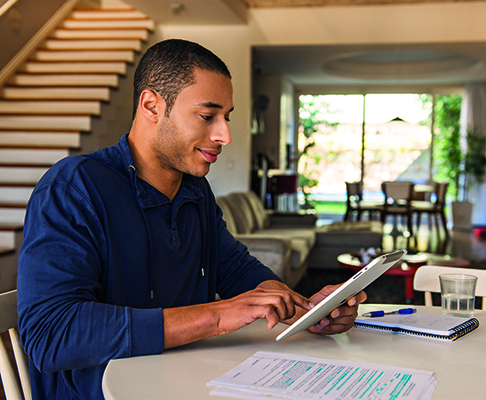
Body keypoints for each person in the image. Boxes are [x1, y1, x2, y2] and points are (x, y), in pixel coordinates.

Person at [17, 39, 366, 400]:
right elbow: (50, 335)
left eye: (226, 117)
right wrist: (215, 316)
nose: (224, 135)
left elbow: (235, 270)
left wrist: (308, 310)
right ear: (152, 105)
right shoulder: (73, 188)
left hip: (188, 382)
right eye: (207, 116)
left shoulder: (196, 191)